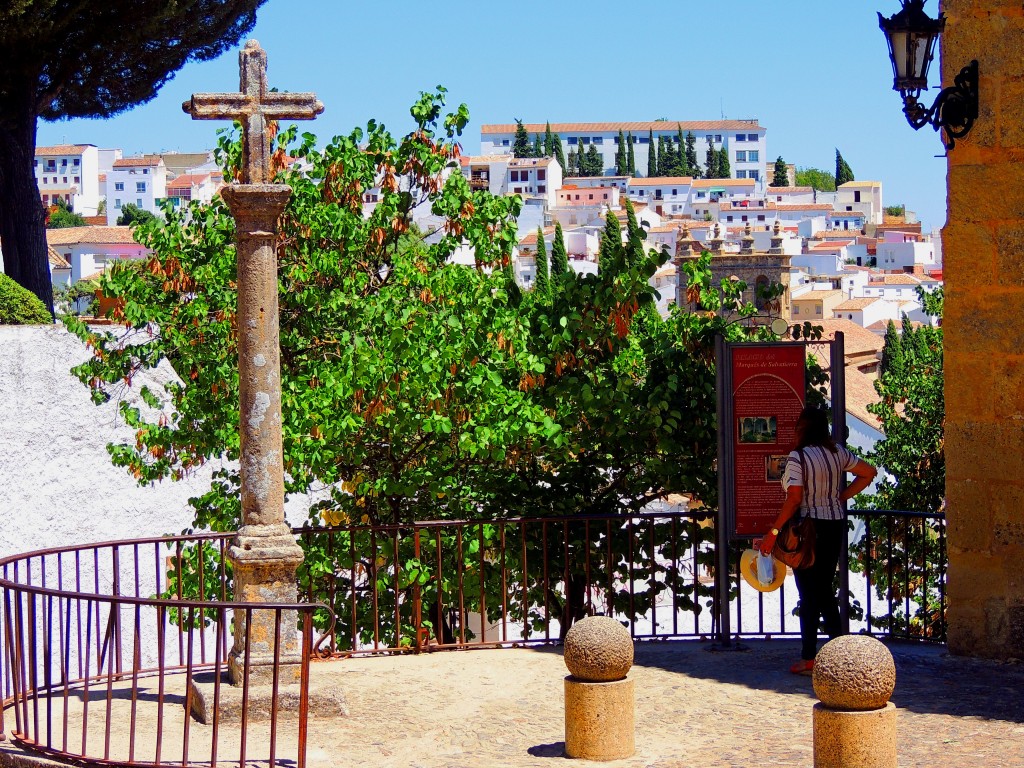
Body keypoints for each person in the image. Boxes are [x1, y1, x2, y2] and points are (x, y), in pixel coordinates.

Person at [758, 406, 877, 675]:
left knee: (811, 593)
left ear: (802, 429)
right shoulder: (837, 453)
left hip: (808, 529)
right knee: (822, 589)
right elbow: (869, 472)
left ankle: (812, 657)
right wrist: (841, 496)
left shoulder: (798, 458)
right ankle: (838, 653)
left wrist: (773, 532)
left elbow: (795, 498)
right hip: (834, 525)